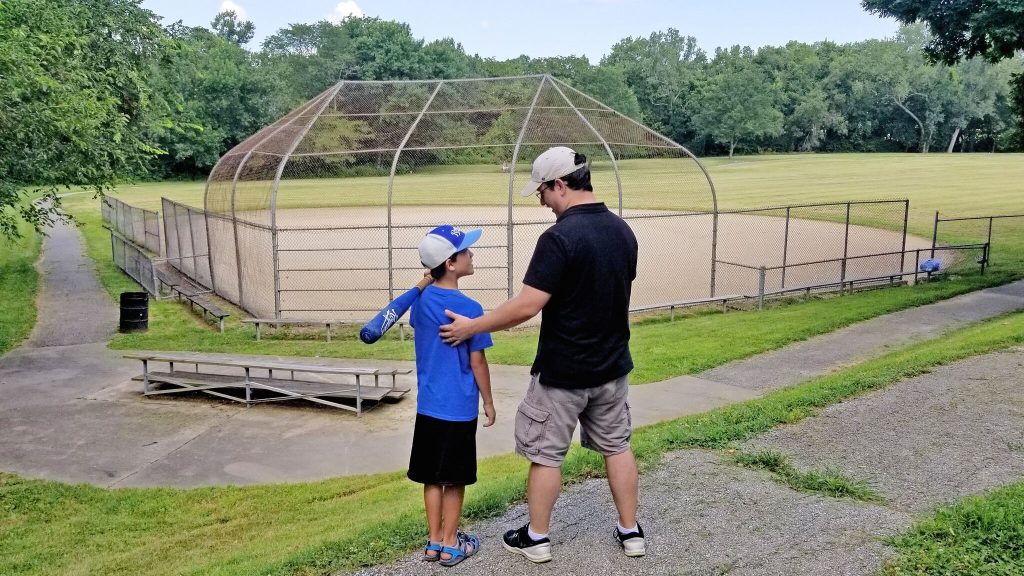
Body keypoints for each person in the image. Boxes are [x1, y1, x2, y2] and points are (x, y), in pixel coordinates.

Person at [440, 147, 644, 563]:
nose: (542, 201)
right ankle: (631, 532)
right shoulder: (623, 231)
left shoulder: (559, 238)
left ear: (561, 185)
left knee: (546, 455)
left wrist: (471, 326)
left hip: (563, 372)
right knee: (617, 447)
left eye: (543, 192)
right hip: (612, 368)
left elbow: (527, 306)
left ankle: (537, 538)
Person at [408, 224, 497, 567]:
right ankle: (451, 543)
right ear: (450, 263)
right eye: (465, 251)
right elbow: (478, 360)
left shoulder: (419, 302)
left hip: (429, 404)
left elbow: (424, 325)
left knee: (432, 476)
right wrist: (488, 401)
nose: (471, 255)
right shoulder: (471, 308)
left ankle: (432, 541)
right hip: (459, 407)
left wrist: (426, 286)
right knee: (455, 479)